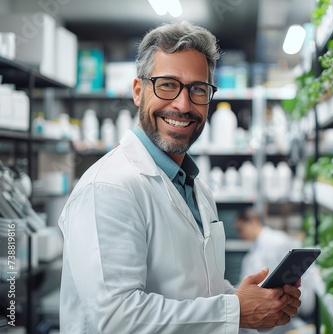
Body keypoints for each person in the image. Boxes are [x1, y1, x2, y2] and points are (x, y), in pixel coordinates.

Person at [58, 21, 301, 333]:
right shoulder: (108, 187)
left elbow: (195, 291)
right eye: (167, 85)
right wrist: (236, 310)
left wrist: (254, 302)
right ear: (137, 91)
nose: (183, 105)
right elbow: (116, 318)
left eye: (197, 89)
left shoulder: (196, 189)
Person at [235, 208, 318, 334]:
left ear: (253, 221)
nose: (240, 235)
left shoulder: (276, 242)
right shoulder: (256, 248)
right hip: (262, 317)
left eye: (241, 229)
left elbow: (280, 284)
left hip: (276, 318)